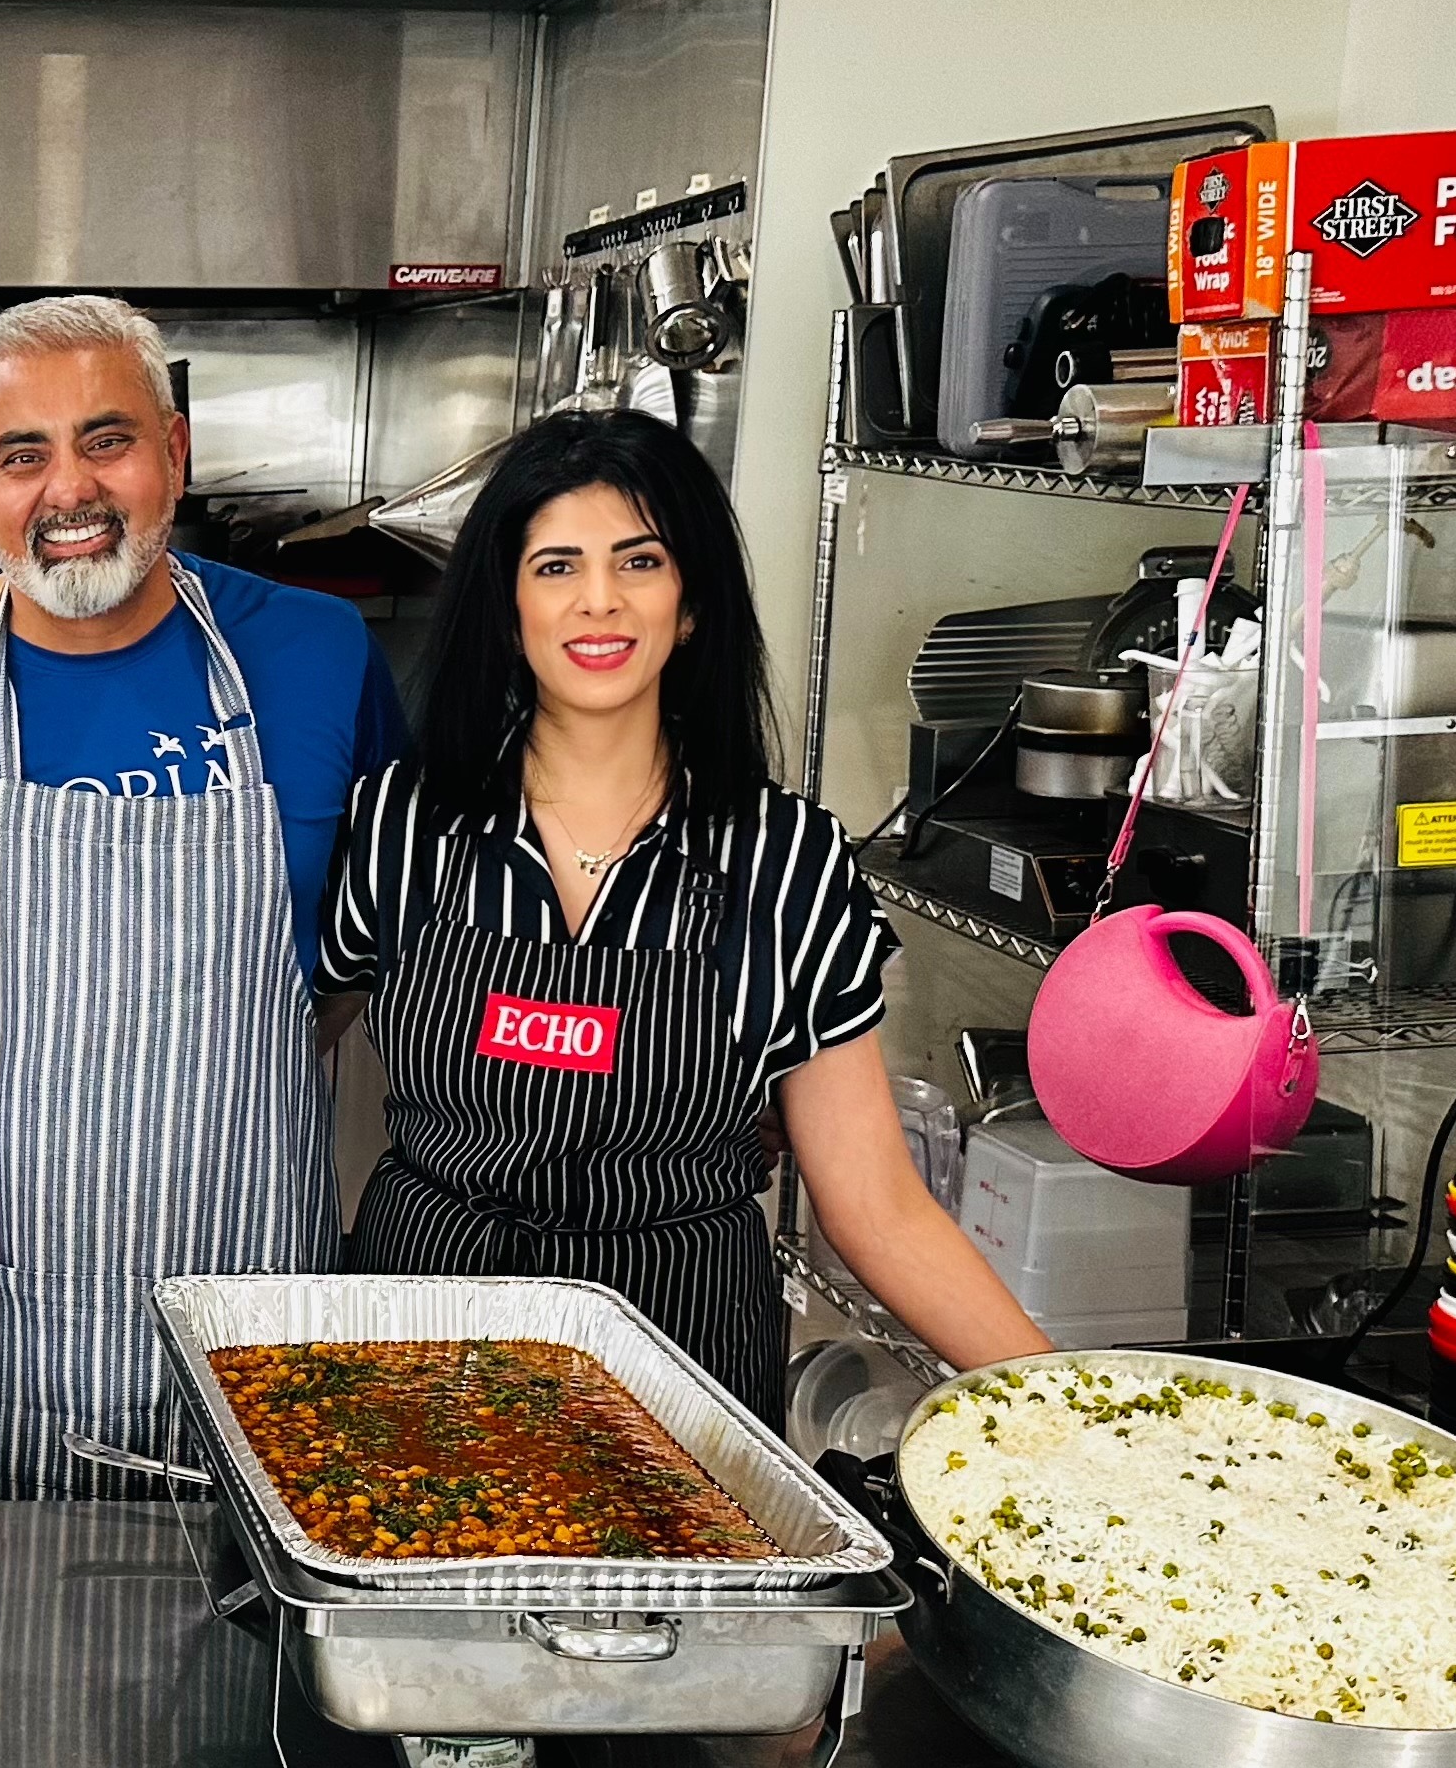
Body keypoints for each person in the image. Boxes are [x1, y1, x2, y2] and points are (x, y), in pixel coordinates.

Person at [317, 409, 1053, 1420]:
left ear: (692, 601)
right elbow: (278, 1068)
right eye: (556, 567)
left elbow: (873, 1204)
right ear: (506, 605)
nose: (599, 602)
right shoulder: (405, 826)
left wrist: (1065, 1407)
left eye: (640, 561)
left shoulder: (783, 862)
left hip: (678, 1363)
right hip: (421, 1341)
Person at [0, 295, 405, 1497]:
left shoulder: (321, 656)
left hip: (259, 1306)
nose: (68, 489)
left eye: (106, 439)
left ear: (174, 454)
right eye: (24, 456)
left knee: (253, 1664)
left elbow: (369, 946)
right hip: (3, 1333)